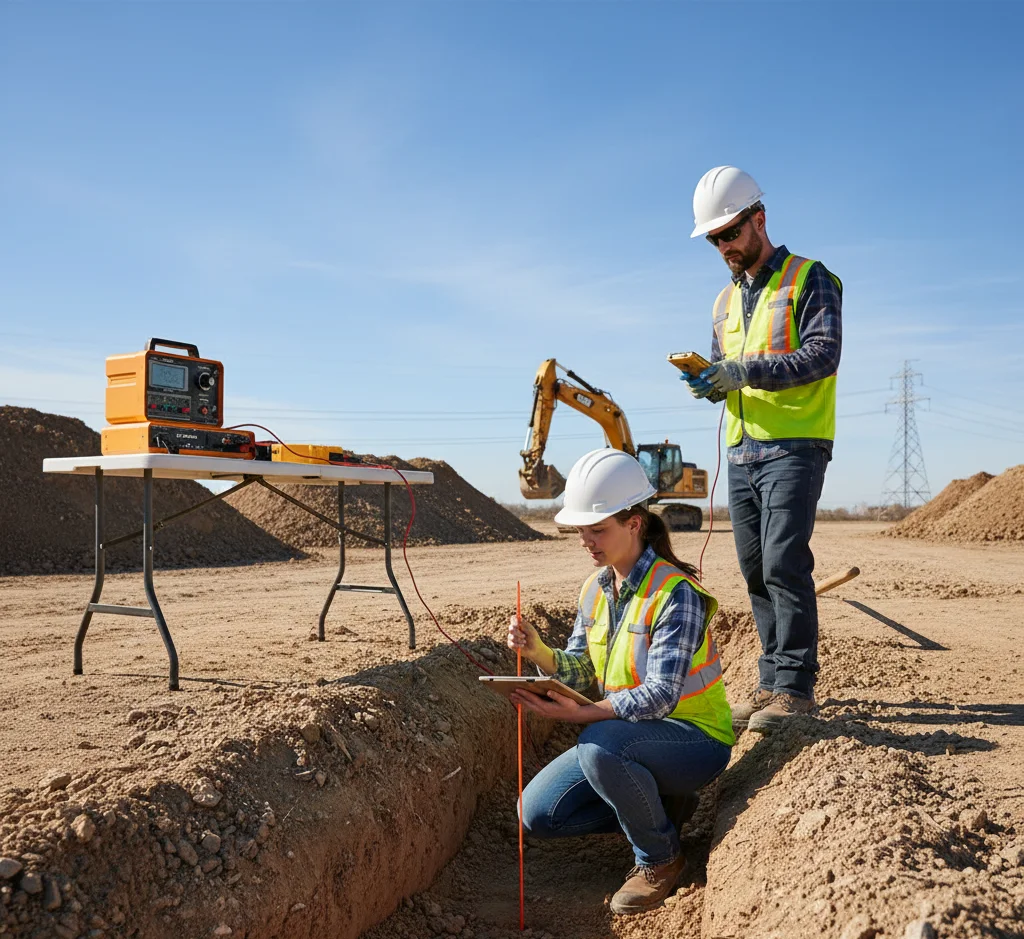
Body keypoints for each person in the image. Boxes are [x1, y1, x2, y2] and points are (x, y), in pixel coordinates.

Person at [507, 448, 734, 915]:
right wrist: (539, 654)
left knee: (598, 743)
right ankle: (660, 812)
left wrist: (582, 713)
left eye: (597, 529)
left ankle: (660, 859)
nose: (586, 541)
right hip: (632, 739)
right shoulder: (595, 588)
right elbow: (581, 667)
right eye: (580, 530)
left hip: (695, 740)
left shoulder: (676, 594)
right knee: (536, 815)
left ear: (634, 524)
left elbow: (661, 695)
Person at [681, 165, 842, 733]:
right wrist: (710, 383)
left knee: (783, 562)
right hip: (742, 449)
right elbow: (727, 372)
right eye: (715, 239)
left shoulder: (809, 279)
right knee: (754, 570)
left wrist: (741, 370)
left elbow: (823, 354)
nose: (723, 245)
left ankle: (796, 689)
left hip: (795, 444)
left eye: (730, 233)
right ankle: (771, 681)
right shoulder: (724, 302)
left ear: (759, 219)